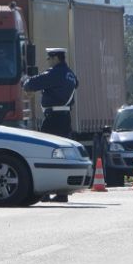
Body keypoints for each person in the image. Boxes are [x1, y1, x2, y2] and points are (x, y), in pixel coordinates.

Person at [23, 47, 78, 203]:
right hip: (64, 117)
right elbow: (76, 84)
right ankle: (62, 193)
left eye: (49, 58)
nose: (48, 61)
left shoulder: (56, 73)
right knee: (63, 157)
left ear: (55, 58)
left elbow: (31, 84)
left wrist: (26, 81)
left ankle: (45, 191)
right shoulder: (70, 74)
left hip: (53, 119)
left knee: (45, 154)